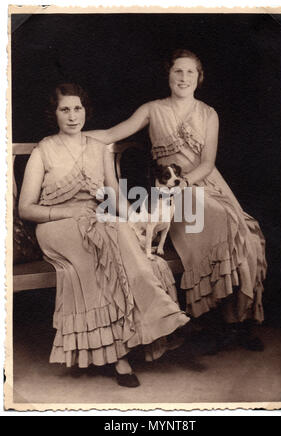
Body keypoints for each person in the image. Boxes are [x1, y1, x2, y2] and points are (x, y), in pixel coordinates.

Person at [86, 49, 267, 351]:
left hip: (202, 183)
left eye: (190, 73)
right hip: (171, 196)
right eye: (177, 72)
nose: (183, 78)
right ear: (168, 75)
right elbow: (110, 133)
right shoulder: (152, 109)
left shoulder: (209, 114)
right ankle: (214, 320)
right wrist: (69, 137)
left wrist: (187, 182)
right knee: (221, 219)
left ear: (199, 78)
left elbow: (207, 163)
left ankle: (237, 322)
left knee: (247, 234)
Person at [18, 83, 190, 388]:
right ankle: (118, 354)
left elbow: (114, 195)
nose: (73, 116)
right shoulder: (44, 150)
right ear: (54, 113)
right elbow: (27, 208)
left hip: (96, 219)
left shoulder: (98, 148)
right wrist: (68, 213)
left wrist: (134, 221)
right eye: (65, 109)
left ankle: (156, 311)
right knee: (96, 247)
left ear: (86, 111)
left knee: (120, 230)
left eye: (78, 108)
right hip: (56, 224)